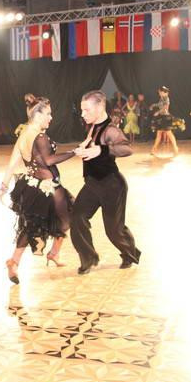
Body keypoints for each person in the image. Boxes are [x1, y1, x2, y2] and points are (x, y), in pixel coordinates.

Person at [0, 99, 75, 284]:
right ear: (38, 115)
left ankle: (15, 261)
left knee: (31, 225)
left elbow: (12, 163)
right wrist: (74, 152)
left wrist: (3, 186)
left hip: (32, 186)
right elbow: (49, 160)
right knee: (68, 215)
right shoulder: (39, 137)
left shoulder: (24, 134)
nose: (51, 117)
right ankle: (52, 253)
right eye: (48, 113)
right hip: (48, 187)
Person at [71, 90, 141, 274]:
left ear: (100, 107)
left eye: (86, 110)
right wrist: (82, 147)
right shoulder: (93, 126)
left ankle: (130, 253)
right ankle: (88, 258)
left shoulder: (111, 130)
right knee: (77, 217)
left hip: (112, 186)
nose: (82, 114)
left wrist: (102, 150)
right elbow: (90, 142)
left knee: (114, 231)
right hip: (93, 184)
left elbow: (127, 149)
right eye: (82, 110)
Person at [150, 86, 178, 157]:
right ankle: (154, 149)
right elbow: (159, 105)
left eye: (160, 92)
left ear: (163, 92)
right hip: (161, 117)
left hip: (166, 118)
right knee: (159, 134)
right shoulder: (162, 98)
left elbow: (165, 107)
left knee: (169, 134)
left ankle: (176, 149)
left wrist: (158, 112)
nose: (159, 93)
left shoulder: (166, 98)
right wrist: (153, 105)